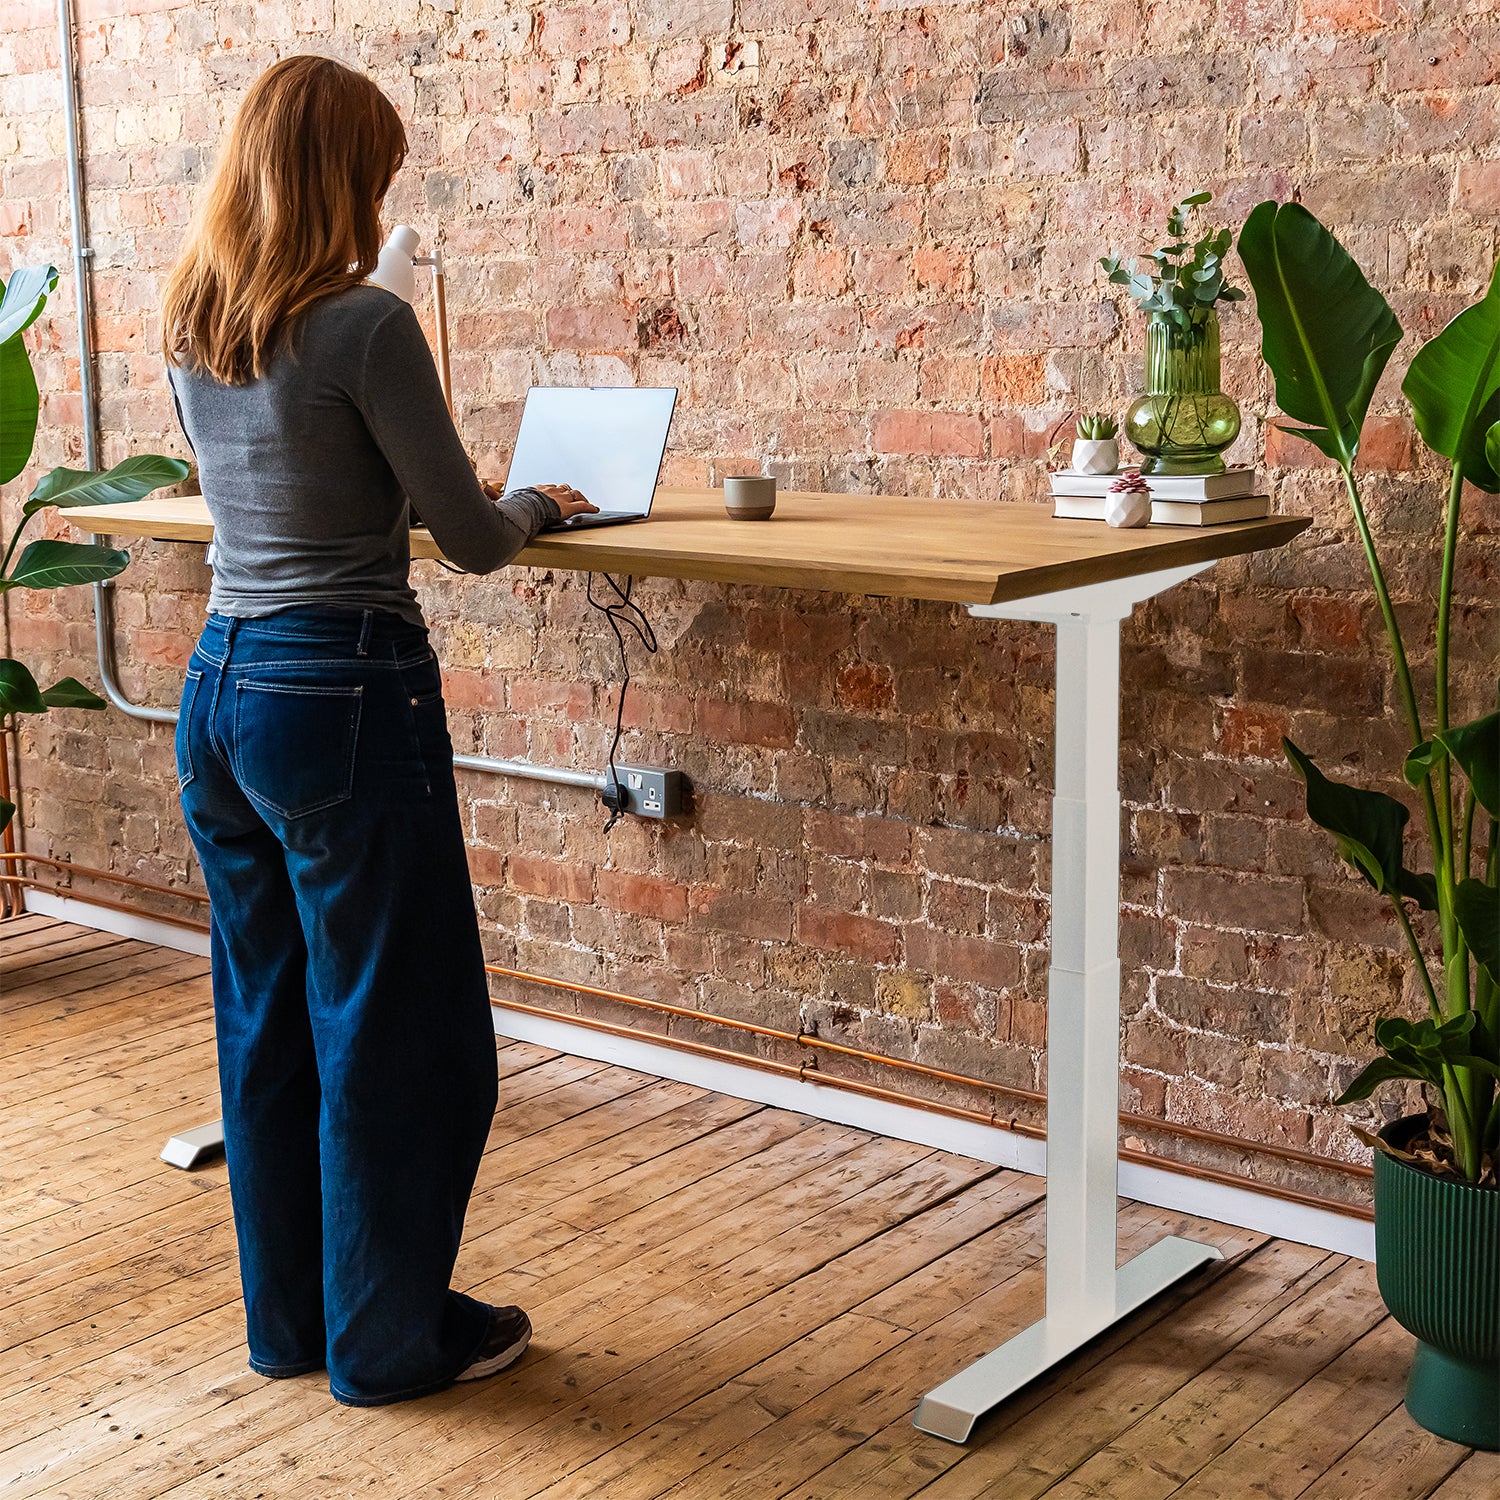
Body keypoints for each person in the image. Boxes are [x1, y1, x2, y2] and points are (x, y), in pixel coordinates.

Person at [161, 54, 597, 1406]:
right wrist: (530, 501)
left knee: (274, 1014)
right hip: (341, 693)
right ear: (344, 176)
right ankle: (395, 1342)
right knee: (402, 1031)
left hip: (220, 696)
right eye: (380, 173)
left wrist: (413, 491)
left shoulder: (195, 316)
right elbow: (468, 544)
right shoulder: (363, 325)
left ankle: (298, 1325)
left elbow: (291, 491)